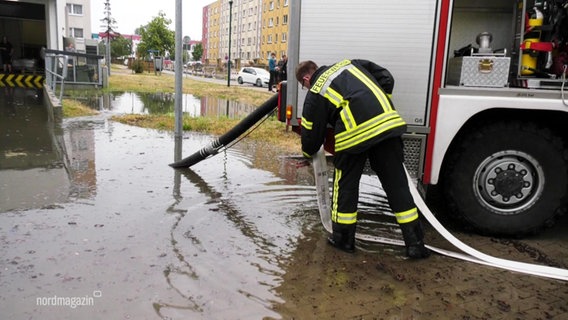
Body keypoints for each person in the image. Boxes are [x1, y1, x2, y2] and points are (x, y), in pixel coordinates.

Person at [295, 59, 430, 259]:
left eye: (303, 85)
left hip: (353, 136)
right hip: (387, 125)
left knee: (345, 186)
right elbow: (386, 77)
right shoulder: (350, 64)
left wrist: (308, 155)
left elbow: (311, 137)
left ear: (307, 78)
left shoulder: (316, 90)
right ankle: (415, 244)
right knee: (397, 185)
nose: (306, 88)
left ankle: (343, 240)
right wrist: (377, 105)